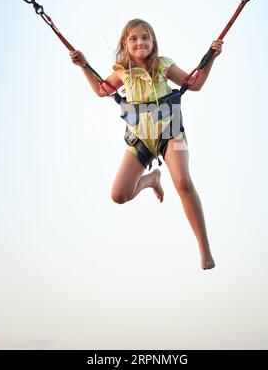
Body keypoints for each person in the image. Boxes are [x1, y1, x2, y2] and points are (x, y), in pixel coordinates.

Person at [70, 19, 223, 270]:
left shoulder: (163, 65)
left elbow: (193, 84)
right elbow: (102, 89)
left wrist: (212, 56)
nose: (140, 42)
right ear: (125, 44)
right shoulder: (122, 70)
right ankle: (151, 179)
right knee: (118, 195)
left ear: (153, 42)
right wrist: (83, 65)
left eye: (145, 37)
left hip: (171, 132)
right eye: (133, 38)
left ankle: (204, 247)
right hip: (140, 137)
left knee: (183, 182)